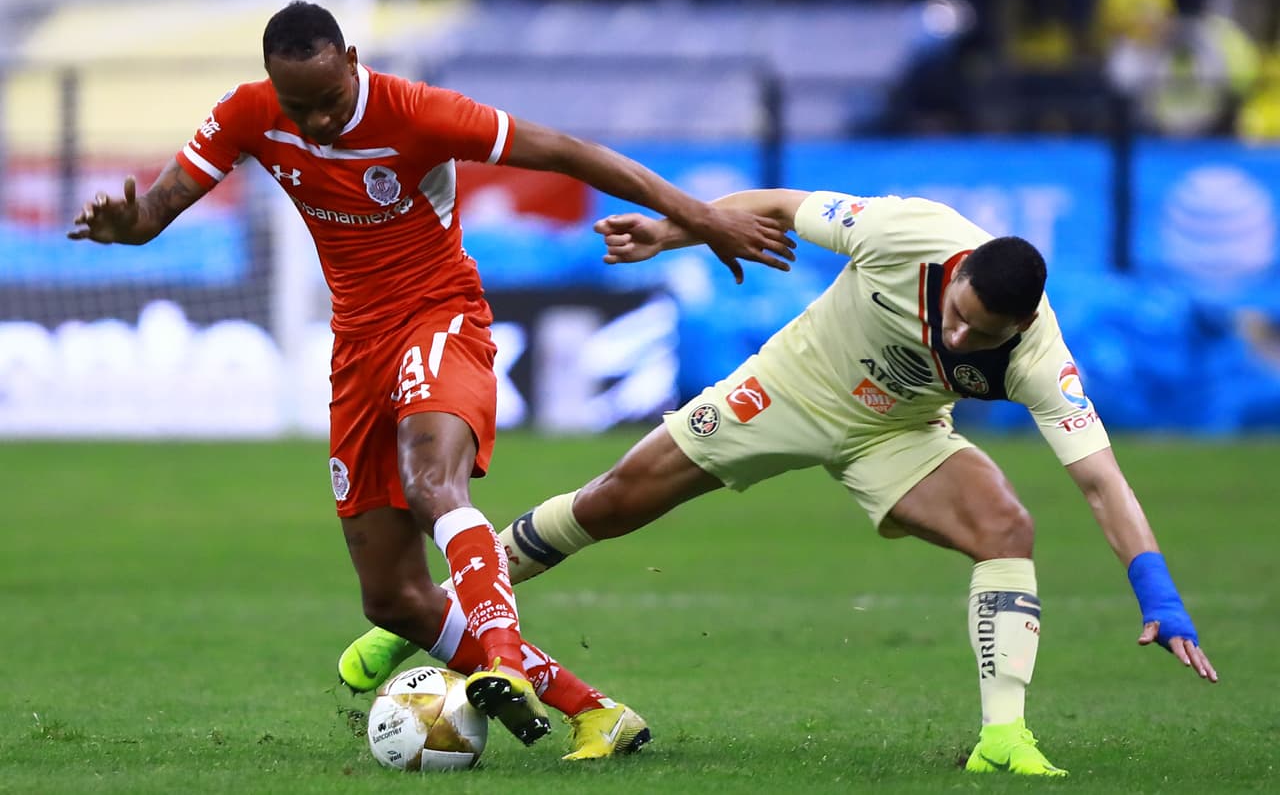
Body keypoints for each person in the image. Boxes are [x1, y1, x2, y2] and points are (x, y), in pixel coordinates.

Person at [68, 0, 794, 757]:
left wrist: (704, 219)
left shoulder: (419, 113)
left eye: (329, 101)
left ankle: (505, 662)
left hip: (438, 315)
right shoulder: (250, 113)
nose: (314, 123)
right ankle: (595, 712)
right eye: (297, 106)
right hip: (357, 346)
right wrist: (131, 224)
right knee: (392, 598)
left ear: (353, 61)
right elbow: (156, 209)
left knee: (431, 483)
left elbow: (570, 153)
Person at [340, 188, 1219, 777]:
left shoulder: (1038, 355)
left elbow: (1102, 482)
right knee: (611, 504)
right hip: (789, 389)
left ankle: (1004, 737)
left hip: (899, 434)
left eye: (977, 332)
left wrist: (1161, 595)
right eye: (953, 312)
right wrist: (672, 230)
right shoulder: (908, 233)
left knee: (1006, 530)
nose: (955, 334)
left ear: (1019, 325)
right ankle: (439, 611)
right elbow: (780, 206)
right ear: (956, 274)